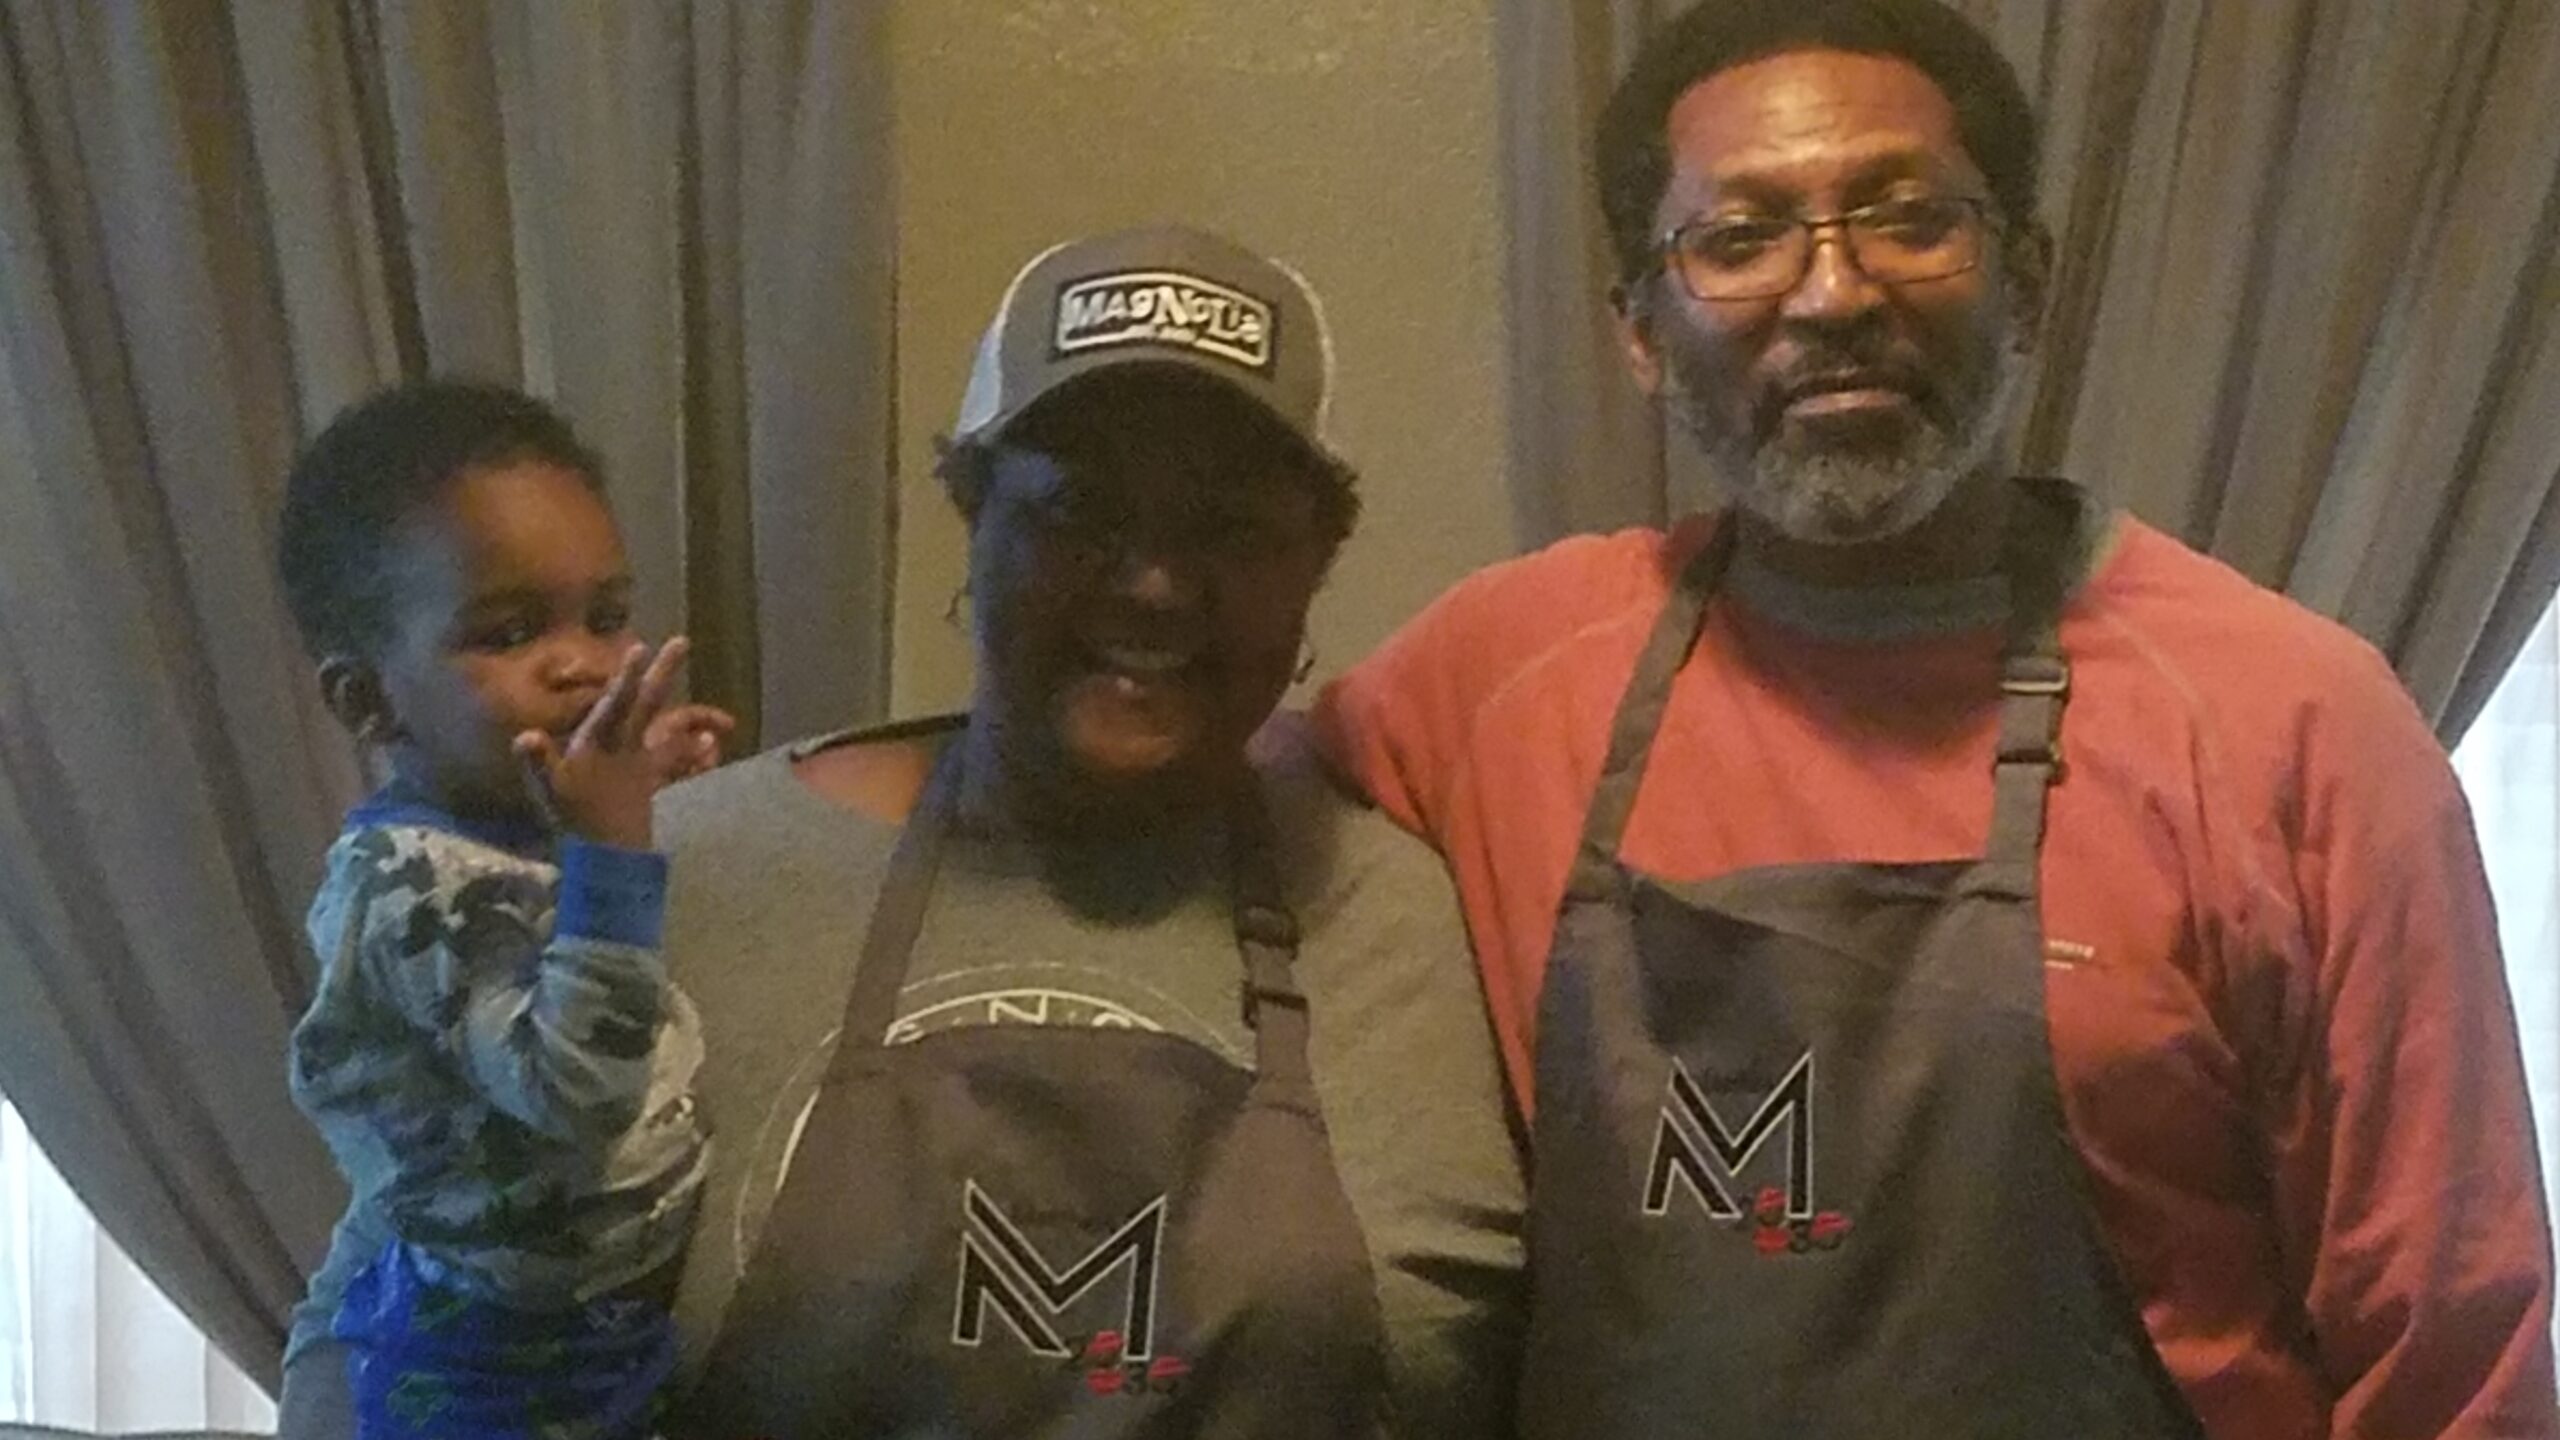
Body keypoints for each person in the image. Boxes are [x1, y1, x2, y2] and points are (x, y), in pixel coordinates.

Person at [1314, 2, 2558, 1435]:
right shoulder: (1491, 685)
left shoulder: (2297, 729)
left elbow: (2458, 1370)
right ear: (1641, 332)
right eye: (1740, 239)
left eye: (1909, 220)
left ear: (2025, 283)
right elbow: (1187, 843)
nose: (1832, 294)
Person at [645, 225, 1517, 1437]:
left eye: (1229, 528)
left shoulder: (1409, 919)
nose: (1153, 585)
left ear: (1315, 565)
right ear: (972, 515)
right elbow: (459, 1339)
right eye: (1079, 512)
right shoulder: (686, 875)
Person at [274, 380, 733, 1439]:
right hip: (490, 1364)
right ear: (369, 701)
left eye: (607, 618)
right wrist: (613, 852)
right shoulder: (407, 886)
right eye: (512, 631)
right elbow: (576, 1088)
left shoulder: (514, 822)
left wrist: (632, 781)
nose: (585, 665)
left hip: (597, 1329)